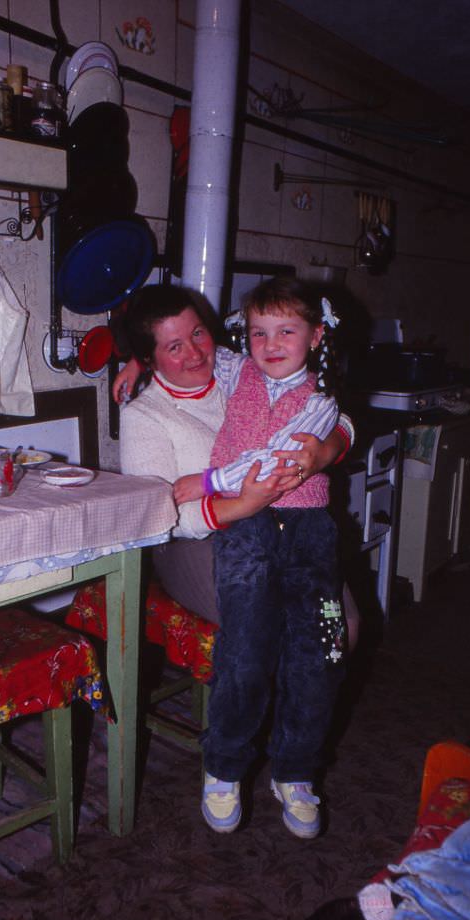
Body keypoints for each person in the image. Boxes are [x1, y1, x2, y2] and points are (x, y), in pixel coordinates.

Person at [172, 276, 348, 840]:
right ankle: (223, 768)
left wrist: (204, 482)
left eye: (286, 331)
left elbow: (269, 464)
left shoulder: (323, 404)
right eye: (258, 332)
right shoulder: (239, 369)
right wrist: (134, 361)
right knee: (244, 651)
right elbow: (194, 357)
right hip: (246, 530)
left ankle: (295, 772)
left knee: (320, 653)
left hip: (308, 532)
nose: (270, 344)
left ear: (316, 336)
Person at [115, 284, 357, 630]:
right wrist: (244, 505)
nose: (196, 353)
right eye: (174, 347)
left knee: (342, 624)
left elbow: (329, 410)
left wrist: (327, 449)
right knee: (273, 621)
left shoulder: (243, 372)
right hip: (196, 539)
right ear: (151, 359)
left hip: (282, 524)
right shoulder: (143, 415)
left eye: (198, 333)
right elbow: (160, 516)